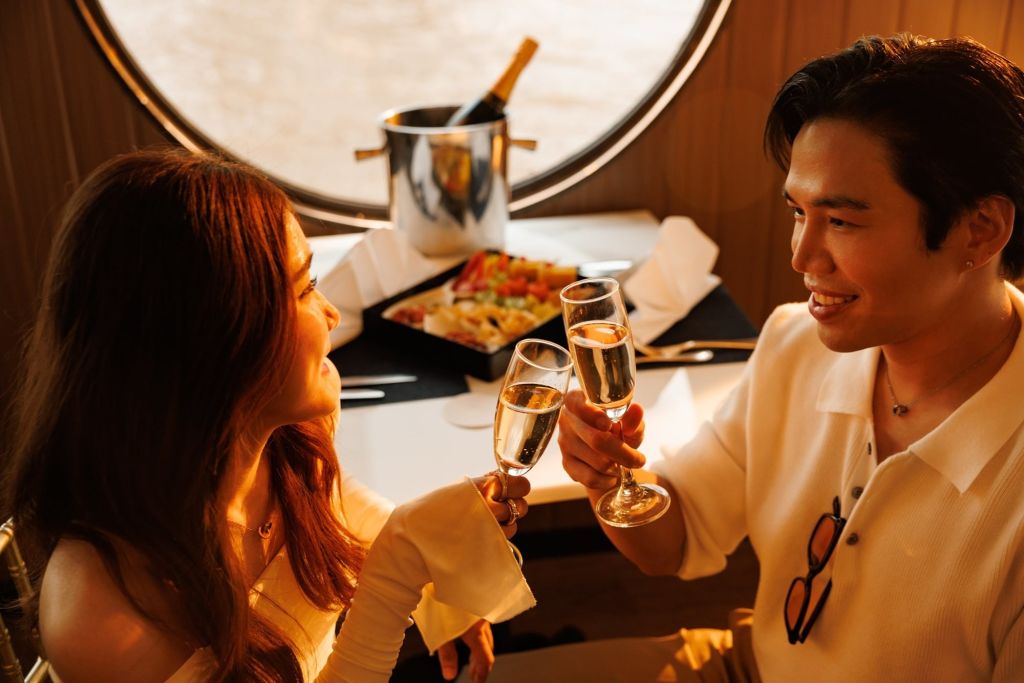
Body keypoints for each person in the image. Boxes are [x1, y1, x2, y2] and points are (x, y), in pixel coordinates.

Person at [486, 34, 1024, 682]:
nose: (801, 255)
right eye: (798, 212)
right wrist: (606, 480)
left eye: (842, 221)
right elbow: (674, 540)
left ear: (981, 230)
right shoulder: (795, 345)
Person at [1, 148, 535, 682]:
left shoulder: (283, 438)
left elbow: (335, 503)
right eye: (304, 288)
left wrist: (432, 575)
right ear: (215, 337)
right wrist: (401, 563)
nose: (331, 313)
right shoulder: (99, 619)